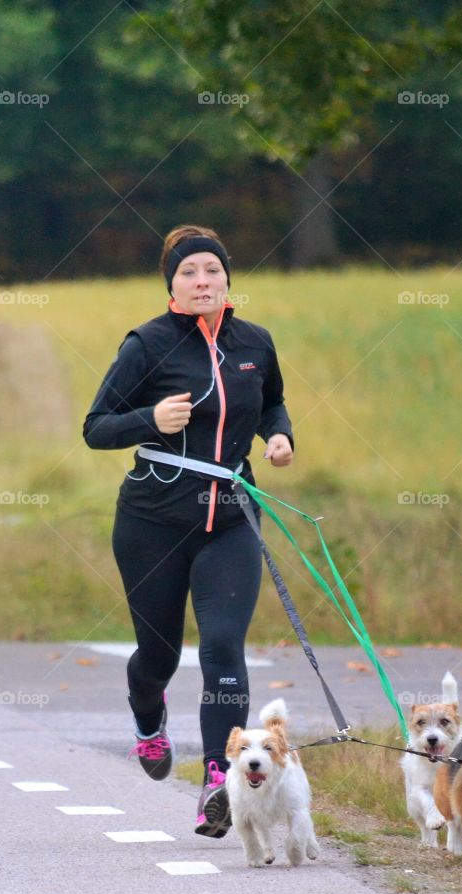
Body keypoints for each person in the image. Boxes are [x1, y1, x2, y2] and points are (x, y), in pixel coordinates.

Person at [83, 225, 295, 836]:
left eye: (211, 270)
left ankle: (215, 782)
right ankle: (149, 724)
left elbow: (272, 402)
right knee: (160, 654)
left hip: (230, 518)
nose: (201, 281)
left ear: (228, 279)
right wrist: (150, 417)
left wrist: (279, 436)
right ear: (171, 283)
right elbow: (96, 427)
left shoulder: (254, 341)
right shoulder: (146, 345)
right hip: (152, 523)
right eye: (188, 272)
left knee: (224, 644)